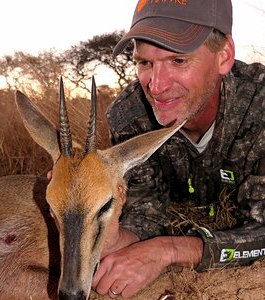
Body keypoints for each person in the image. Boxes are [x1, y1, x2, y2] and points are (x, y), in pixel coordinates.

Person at [90, 0, 265, 298]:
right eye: (144, 63)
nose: (156, 86)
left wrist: (169, 250)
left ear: (224, 56)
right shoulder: (129, 114)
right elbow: (147, 211)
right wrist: (117, 238)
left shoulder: (259, 104)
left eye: (178, 61)